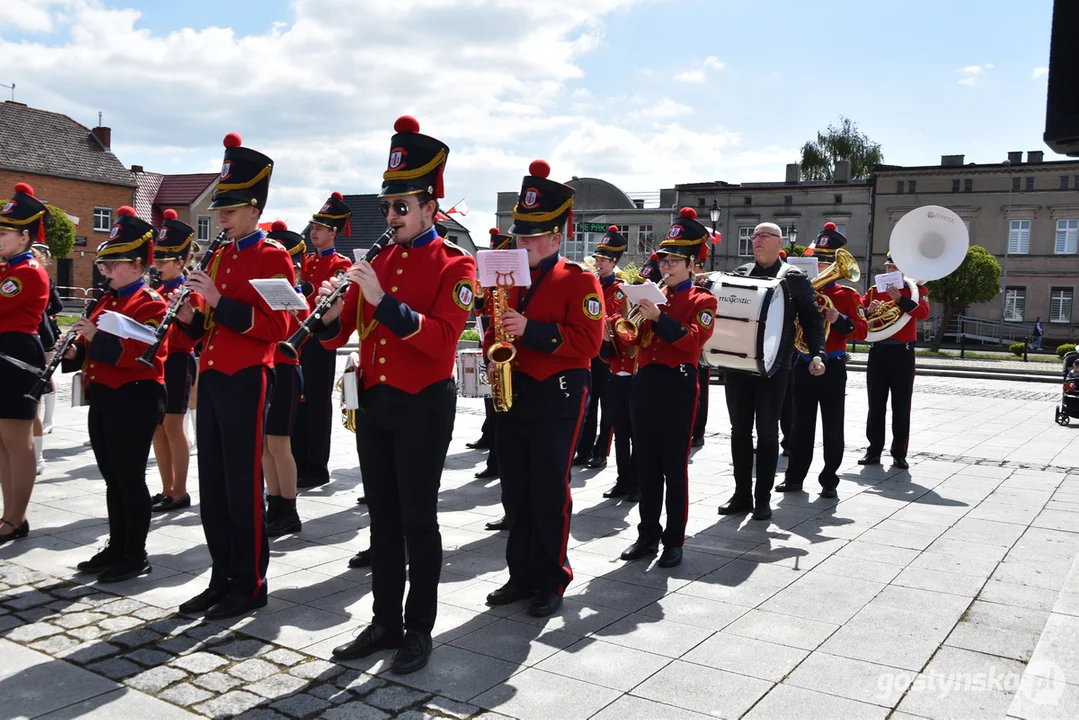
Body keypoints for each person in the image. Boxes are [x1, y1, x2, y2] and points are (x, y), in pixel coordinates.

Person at [323, 116, 474, 674]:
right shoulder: (379, 260)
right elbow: (342, 334)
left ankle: (419, 629)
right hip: (378, 401)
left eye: (402, 206)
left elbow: (438, 342)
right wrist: (321, 311)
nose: (392, 217)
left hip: (423, 404)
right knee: (381, 517)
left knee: (418, 518)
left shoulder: (456, 265)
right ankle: (384, 620)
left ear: (431, 208)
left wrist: (381, 299)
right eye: (388, 207)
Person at [172, 133, 294, 620]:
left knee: (243, 484)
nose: (221, 215)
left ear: (254, 209)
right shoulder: (219, 255)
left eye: (230, 207)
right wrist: (186, 314)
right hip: (216, 375)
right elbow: (208, 326)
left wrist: (219, 302)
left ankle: (251, 582)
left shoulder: (273, 257)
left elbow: (278, 328)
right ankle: (221, 576)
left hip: (248, 376)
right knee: (215, 482)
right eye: (221, 207)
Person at [482, 159, 603, 618]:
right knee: (515, 490)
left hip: (560, 391)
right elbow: (495, 328)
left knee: (549, 489)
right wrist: (493, 340)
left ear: (556, 237)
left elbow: (588, 342)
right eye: (520, 234)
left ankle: (552, 578)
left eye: (533, 235)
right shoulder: (506, 277)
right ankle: (520, 575)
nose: (523, 242)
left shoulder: (579, 279)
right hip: (514, 391)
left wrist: (531, 329)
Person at [64, 206, 168, 580]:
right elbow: (93, 348)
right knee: (112, 476)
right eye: (104, 264)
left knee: (129, 476)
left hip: (136, 396)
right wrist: (76, 350)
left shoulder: (151, 303)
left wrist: (96, 338)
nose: (104, 270)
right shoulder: (106, 300)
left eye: (114, 263)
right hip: (106, 396)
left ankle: (135, 553)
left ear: (139, 266)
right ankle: (117, 544)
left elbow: (142, 356)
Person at [618, 208, 717, 568]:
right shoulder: (653, 294)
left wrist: (660, 317)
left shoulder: (703, 301)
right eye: (664, 260)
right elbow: (631, 342)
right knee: (646, 464)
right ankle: (647, 535)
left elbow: (691, 344)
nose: (666, 267)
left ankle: (674, 540)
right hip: (645, 382)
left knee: (674, 467)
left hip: (677, 384)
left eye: (675, 261)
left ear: (692, 264)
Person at [718, 222, 827, 521]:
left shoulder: (793, 278)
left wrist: (818, 354)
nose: (757, 240)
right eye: (754, 236)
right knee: (739, 431)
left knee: (767, 434)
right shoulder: (740, 274)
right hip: (738, 366)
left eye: (765, 236)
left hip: (774, 368)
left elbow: (813, 321)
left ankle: (761, 499)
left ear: (780, 243)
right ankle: (741, 494)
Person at [775, 224, 867, 499]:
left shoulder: (847, 296)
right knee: (799, 425)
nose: (823, 268)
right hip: (802, 363)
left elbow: (862, 332)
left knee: (832, 424)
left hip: (834, 365)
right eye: (819, 261)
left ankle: (829, 479)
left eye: (828, 262)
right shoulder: (799, 293)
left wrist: (838, 319)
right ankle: (794, 478)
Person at [0, 183, 52, 545]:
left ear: (23, 237)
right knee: (2, 441)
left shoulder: (28, 271)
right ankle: (8, 513)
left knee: (17, 440)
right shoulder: (8, 268)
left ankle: (17, 517)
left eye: (3, 233)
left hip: (17, 353)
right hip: (5, 350)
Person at [293, 192, 352, 490]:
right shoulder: (306, 260)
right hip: (299, 339)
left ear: (333, 233)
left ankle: (317, 466)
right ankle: (299, 461)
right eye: (312, 227)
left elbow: (333, 297)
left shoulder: (339, 263)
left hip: (319, 339)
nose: (313, 232)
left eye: (319, 228)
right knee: (299, 404)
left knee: (316, 403)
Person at [858, 251, 930, 470]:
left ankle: (899, 452)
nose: (891, 271)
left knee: (901, 405)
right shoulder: (873, 291)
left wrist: (901, 299)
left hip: (902, 353)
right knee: (875, 404)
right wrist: (866, 311)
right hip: (878, 351)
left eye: (895, 268)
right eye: (889, 267)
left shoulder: (916, 291)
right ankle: (873, 450)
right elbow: (857, 311)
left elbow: (924, 313)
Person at [150, 209, 199, 514]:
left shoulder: (188, 290)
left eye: (164, 259)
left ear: (180, 262)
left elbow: (190, 335)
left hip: (179, 361)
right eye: (157, 258)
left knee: (172, 426)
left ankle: (179, 490)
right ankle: (166, 487)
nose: (158, 264)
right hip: (158, 364)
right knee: (157, 428)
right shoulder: (155, 291)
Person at [264, 221, 310, 536]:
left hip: (286, 370)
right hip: (267, 368)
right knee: (266, 446)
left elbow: (300, 334)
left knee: (280, 444)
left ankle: (289, 509)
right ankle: (274, 503)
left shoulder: (298, 298)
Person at [593, 227, 638, 500]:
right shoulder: (595, 284)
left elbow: (614, 318)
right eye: (598, 258)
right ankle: (623, 480)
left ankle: (636, 482)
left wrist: (606, 323)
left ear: (614, 262)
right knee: (620, 431)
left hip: (631, 366)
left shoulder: (621, 288)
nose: (598, 263)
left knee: (635, 433)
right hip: (612, 365)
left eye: (604, 259)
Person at [475, 228, 514, 490]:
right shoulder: (493, 286)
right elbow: (481, 313)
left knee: (505, 419)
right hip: (494, 347)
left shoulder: (512, 283)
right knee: (494, 408)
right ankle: (493, 460)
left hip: (512, 351)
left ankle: (499, 464)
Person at [31, 243, 62, 475]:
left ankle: (39, 456)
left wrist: (48, 311)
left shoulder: (39, 278)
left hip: (41, 334)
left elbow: (57, 305)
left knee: (44, 381)